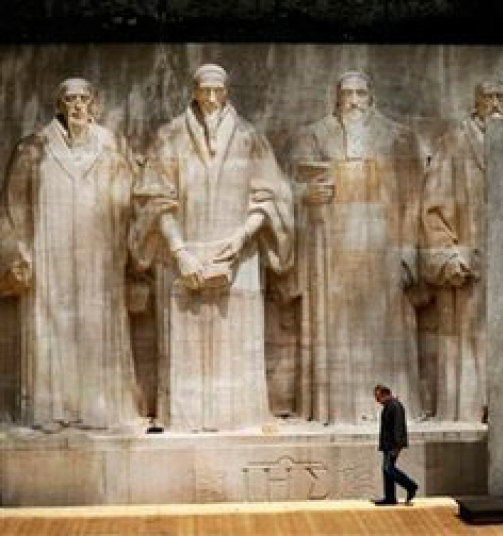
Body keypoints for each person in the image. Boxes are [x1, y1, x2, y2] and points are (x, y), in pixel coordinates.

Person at [129, 64, 294, 432]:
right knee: (184, 350)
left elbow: (270, 197)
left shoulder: (249, 137)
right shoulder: (170, 136)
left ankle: (240, 420)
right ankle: (185, 422)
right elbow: (154, 199)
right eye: (205, 90)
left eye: (218, 90)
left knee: (236, 348)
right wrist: (179, 251)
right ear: (194, 91)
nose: (212, 97)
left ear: (228, 91)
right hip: (182, 257)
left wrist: (238, 243)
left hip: (239, 257)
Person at [0, 78, 142, 432]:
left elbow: (129, 197)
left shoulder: (110, 146)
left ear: (93, 103)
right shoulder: (33, 148)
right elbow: (12, 207)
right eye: (70, 100)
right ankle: (52, 410)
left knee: (97, 326)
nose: (78, 106)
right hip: (51, 253)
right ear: (59, 105)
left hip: (98, 253)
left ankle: (100, 409)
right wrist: (18, 254)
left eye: (84, 99)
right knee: (52, 326)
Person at [289, 71, 425, 424]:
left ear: (371, 96)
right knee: (335, 330)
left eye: (360, 93)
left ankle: (391, 409)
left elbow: (414, 199)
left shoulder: (399, 137)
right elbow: (287, 187)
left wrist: (409, 248)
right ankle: (339, 411)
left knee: (386, 329)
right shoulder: (315, 135)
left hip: (384, 247)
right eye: (346, 93)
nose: (353, 100)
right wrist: (305, 194)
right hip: (330, 248)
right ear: (336, 98)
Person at [420, 80, 503, 422]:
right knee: (466, 344)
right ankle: (469, 413)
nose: (495, 104)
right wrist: (446, 253)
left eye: (500, 97)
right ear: (476, 103)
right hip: (469, 261)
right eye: (487, 98)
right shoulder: (454, 142)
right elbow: (434, 205)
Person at [373, 384, 418, 505]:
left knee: (388, 469)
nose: (377, 401)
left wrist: (397, 446)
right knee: (386, 470)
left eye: (378, 398)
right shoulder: (389, 406)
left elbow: (398, 427)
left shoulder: (395, 406)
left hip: (393, 445)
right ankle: (390, 497)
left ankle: (410, 486)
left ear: (385, 394)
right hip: (388, 445)